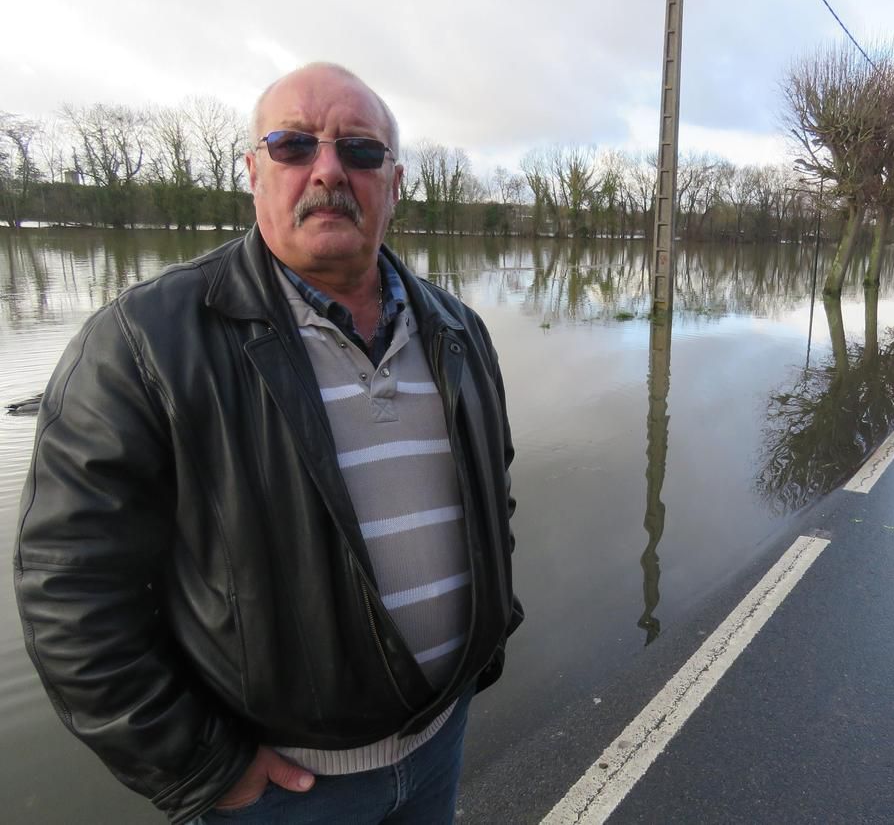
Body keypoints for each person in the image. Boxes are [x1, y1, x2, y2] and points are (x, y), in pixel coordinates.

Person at [13, 63, 521, 824]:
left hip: (438, 743)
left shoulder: (458, 330)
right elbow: (69, 591)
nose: (328, 170)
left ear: (395, 180)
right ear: (252, 173)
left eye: (360, 150)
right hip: (278, 796)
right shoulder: (143, 342)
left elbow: (494, 496)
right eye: (293, 146)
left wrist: (483, 644)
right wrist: (208, 767)